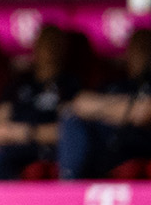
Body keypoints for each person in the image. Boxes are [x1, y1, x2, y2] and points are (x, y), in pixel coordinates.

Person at [0, 27, 76, 180]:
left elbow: (70, 130)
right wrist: (0, 134)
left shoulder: (69, 85)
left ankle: (7, 204)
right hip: (11, 143)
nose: (48, 49)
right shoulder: (19, 84)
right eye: (44, 43)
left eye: (54, 44)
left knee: (2, 158)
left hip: (42, 147)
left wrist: (27, 132)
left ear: (63, 48)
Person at [59, 29, 151, 179]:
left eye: (146, 48)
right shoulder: (115, 83)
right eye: (136, 48)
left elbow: (143, 113)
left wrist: (102, 110)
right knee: (71, 118)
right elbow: (79, 103)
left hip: (136, 147)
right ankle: (69, 187)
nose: (141, 54)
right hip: (103, 149)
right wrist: (122, 109)